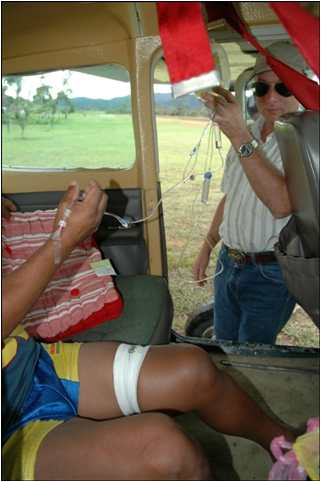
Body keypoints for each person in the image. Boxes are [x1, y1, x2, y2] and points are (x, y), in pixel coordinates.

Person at [2, 180, 295, 481]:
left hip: (25, 362)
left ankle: (290, 448)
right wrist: (61, 240)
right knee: (166, 451)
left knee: (192, 370)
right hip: (8, 426)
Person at [193, 41, 310, 344]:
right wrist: (207, 246)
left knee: (251, 357)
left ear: (301, 87)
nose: (271, 98)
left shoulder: (309, 139)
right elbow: (231, 197)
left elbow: (282, 205)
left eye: (283, 87)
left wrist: (238, 135)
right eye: (262, 88)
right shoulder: (251, 131)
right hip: (228, 262)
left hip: (270, 273)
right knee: (224, 344)